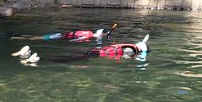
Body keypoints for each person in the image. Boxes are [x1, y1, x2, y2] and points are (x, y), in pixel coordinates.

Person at [13, 34, 149, 65]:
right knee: (65, 60)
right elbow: (121, 57)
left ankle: (27, 55)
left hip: (91, 50)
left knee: (67, 56)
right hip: (94, 56)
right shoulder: (132, 51)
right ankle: (36, 60)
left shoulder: (128, 46)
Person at [10, 23, 117, 42]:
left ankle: (19, 35)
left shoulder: (88, 32)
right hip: (59, 37)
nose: (105, 34)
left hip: (61, 34)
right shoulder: (88, 36)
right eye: (103, 34)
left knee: (38, 36)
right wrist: (73, 42)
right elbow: (77, 40)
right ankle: (15, 38)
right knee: (39, 39)